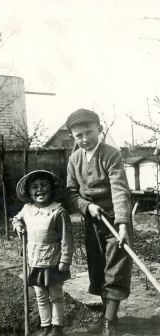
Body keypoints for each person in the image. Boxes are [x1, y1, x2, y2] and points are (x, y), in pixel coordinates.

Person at [66, 109, 133, 336]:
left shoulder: (111, 154)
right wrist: (87, 207)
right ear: (73, 137)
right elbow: (71, 193)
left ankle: (109, 323)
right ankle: (105, 315)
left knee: (116, 268)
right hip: (92, 222)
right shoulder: (74, 160)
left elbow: (120, 189)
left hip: (115, 220)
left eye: (89, 132)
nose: (85, 139)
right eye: (79, 135)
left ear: (99, 130)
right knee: (99, 269)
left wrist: (123, 224)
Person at [12, 170, 74, 336]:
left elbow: (67, 239)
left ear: (52, 188)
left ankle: (57, 327)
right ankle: (45, 326)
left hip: (53, 261)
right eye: (34, 186)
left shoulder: (58, 212)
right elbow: (16, 218)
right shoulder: (27, 209)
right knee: (40, 295)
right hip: (34, 260)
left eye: (44, 185)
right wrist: (18, 226)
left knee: (56, 295)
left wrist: (65, 261)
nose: (39, 189)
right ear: (29, 192)